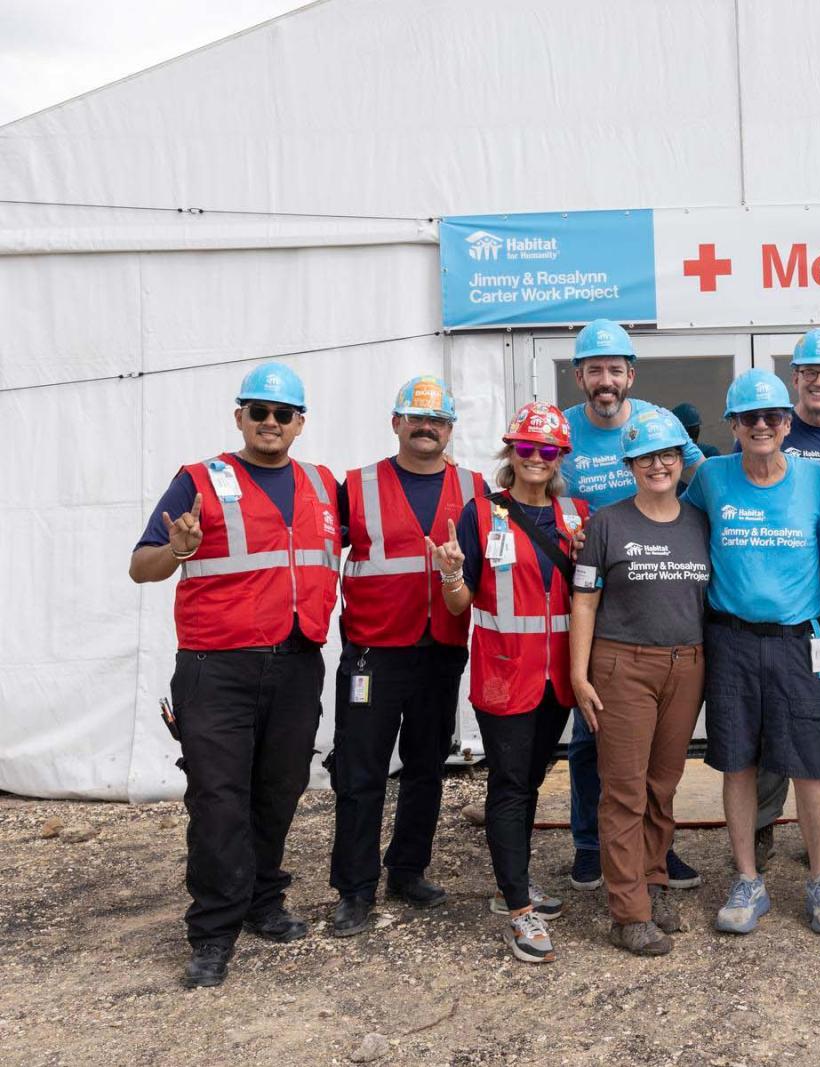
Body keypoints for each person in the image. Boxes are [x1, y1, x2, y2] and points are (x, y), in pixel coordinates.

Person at [129, 362, 340, 989]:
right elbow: (143, 568)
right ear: (239, 416)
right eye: (259, 411)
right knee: (219, 799)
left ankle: (261, 900)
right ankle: (213, 932)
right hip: (214, 667)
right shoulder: (196, 481)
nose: (270, 423)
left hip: (297, 661)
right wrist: (181, 549)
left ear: (301, 424)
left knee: (279, 788)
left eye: (283, 414)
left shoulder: (323, 485)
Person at [684, 370, 820, 937]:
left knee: (811, 765)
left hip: (797, 641)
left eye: (772, 417)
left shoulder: (814, 479)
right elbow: (678, 531)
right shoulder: (710, 477)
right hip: (729, 639)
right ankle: (749, 880)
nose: (761, 426)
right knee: (737, 763)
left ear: (786, 424)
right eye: (749, 417)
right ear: (733, 425)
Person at [327, 376, 487, 937]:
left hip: (440, 649)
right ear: (396, 423)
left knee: (425, 768)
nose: (427, 428)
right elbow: (316, 552)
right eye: (416, 419)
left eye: (438, 420)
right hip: (373, 653)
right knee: (361, 771)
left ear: (449, 429)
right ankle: (354, 888)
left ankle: (407, 870)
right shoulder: (357, 486)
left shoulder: (474, 487)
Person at [429, 402, 588, 964]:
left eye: (548, 450)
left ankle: (508, 884)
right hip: (504, 676)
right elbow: (460, 603)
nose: (537, 458)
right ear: (510, 452)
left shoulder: (577, 517)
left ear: (561, 457)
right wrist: (451, 570)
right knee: (511, 785)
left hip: (558, 681)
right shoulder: (480, 515)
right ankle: (519, 908)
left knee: (530, 780)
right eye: (527, 448)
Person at [562, 319, 706, 894]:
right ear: (579, 376)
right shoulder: (565, 429)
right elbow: (537, 482)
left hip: (660, 584)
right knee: (589, 741)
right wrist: (569, 530)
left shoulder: (655, 423)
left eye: (614, 369)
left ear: (630, 375)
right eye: (594, 369)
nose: (604, 380)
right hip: (592, 594)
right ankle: (590, 847)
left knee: (658, 765)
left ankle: (654, 853)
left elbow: (695, 473)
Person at [751, 328, 820, 876]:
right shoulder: (769, 431)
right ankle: (761, 828)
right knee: (775, 719)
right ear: (794, 378)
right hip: (784, 610)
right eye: (809, 373)